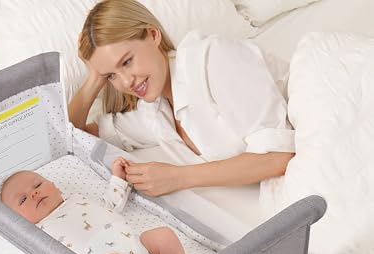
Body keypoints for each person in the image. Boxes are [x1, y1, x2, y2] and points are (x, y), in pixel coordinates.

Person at [68, 0, 295, 197]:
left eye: (127, 62)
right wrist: (95, 77)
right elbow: (72, 135)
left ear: (153, 35)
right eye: (111, 76)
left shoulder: (212, 59)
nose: (126, 82)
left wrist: (177, 177)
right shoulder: (153, 113)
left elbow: (278, 155)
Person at [0, 157, 189, 254]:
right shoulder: (38, 232)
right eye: (23, 199)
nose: (34, 193)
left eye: (37, 185)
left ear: (54, 185)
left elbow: (110, 204)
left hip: (141, 251)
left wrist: (118, 179)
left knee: (164, 236)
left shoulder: (77, 199)